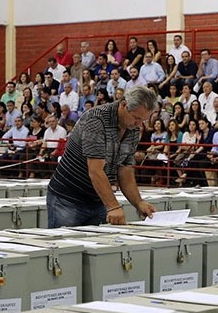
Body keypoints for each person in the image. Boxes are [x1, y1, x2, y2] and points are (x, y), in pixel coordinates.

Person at [46, 86, 158, 227]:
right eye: (136, 118)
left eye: (143, 120)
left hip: (97, 199)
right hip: (68, 199)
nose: (139, 124)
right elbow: (95, 170)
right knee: (64, 247)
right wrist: (113, 206)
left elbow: (125, 170)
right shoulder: (96, 120)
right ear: (123, 105)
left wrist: (139, 203)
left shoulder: (132, 128)